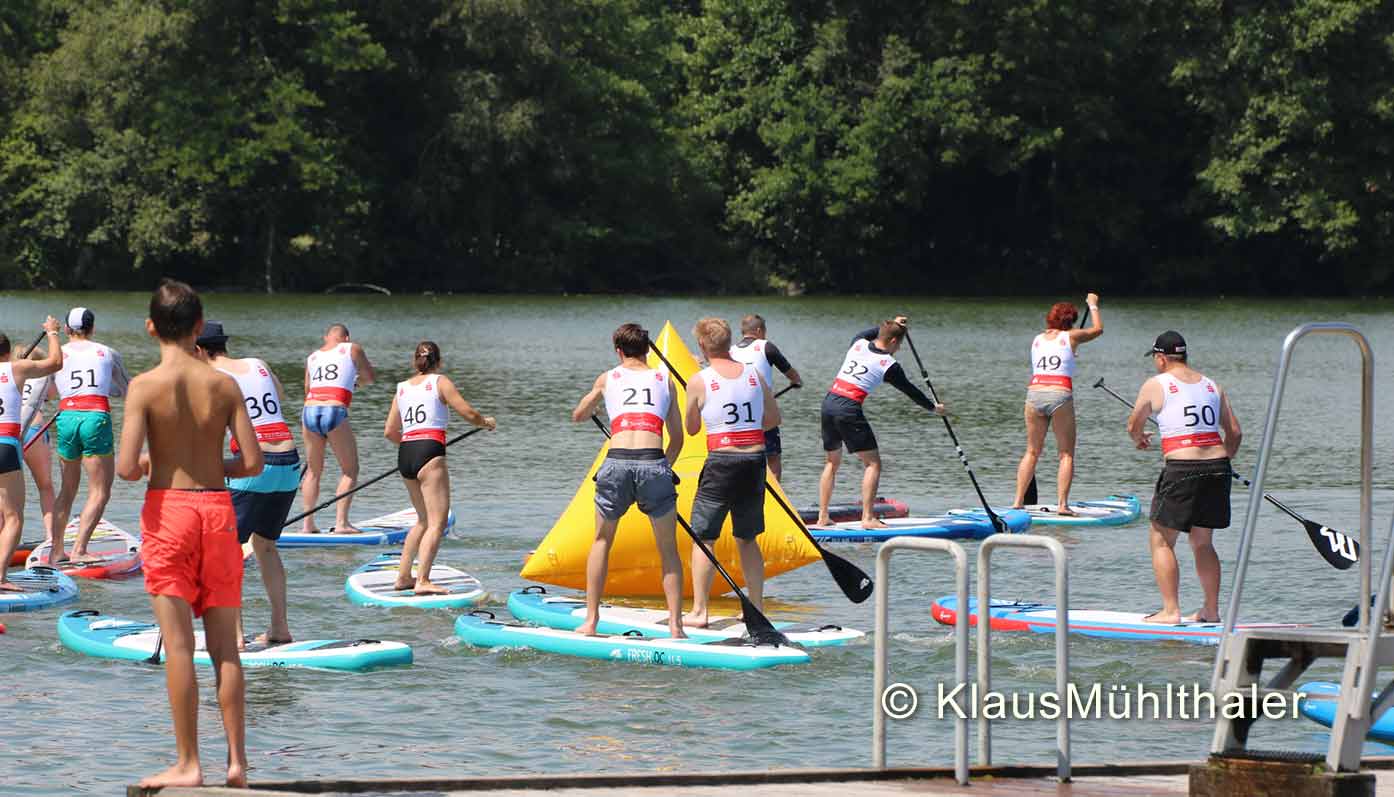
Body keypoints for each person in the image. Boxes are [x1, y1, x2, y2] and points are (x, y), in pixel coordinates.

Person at [115, 279, 262, 788]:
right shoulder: (224, 386)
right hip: (218, 511)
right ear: (199, 327)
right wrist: (208, 465)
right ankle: (237, 763)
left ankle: (188, 763)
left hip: (167, 514)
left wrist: (165, 460)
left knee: (180, 648)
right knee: (227, 649)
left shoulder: (144, 387)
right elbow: (252, 461)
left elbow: (127, 468)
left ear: (151, 326)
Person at [569, 323, 686, 638]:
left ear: (618, 351)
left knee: (601, 541)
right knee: (668, 550)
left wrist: (594, 396)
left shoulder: (608, 377)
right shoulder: (666, 379)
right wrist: (665, 467)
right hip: (653, 463)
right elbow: (678, 438)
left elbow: (578, 415)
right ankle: (676, 628)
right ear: (647, 350)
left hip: (617, 463)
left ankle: (591, 621)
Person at [1127, 331, 1241, 625]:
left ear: (1161, 358)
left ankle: (1170, 611)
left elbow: (1133, 424)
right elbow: (1235, 433)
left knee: (1161, 540)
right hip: (1218, 468)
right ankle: (1211, 610)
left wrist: (1139, 439)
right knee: (1203, 542)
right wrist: (1222, 462)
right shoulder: (1212, 385)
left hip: (1181, 470)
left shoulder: (1156, 384)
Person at [195, 321, 298, 647]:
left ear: (199, 350)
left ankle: (235, 637)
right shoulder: (258, 364)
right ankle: (279, 628)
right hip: (290, 463)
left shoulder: (211, 380)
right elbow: (278, 398)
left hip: (255, 467)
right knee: (265, 546)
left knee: (226, 553)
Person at [685, 317, 780, 625]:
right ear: (729, 343)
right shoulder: (754, 374)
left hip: (721, 463)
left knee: (704, 538)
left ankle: (700, 611)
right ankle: (755, 608)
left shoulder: (700, 380)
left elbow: (691, 427)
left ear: (702, 345)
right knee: (747, 538)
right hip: (754, 460)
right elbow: (773, 418)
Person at [384, 341, 495, 595]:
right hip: (429, 453)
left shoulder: (401, 388)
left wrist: (411, 445)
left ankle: (403, 577)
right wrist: (486, 423)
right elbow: (467, 413)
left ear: (415, 362)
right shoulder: (439, 382)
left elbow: (390, 431)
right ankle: (422, 580)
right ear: (439, 362)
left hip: (406, 453)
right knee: (437, 522)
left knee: (422, 520)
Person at [816, 317, 946, 529]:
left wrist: (892, 324)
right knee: (873, 464)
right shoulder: (889, 365)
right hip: (848, 408)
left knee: (831, 463)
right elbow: (910, 390)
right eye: (899, 344)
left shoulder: (858, 342)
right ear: (894, 342)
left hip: (828, 403)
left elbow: (873, 333)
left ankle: (823, 517)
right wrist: (933, 408)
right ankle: (868, 518)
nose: (899, 348)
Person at [47, 307, 131, 564]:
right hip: (95, 417)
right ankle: (80, 550)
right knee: (100, 491)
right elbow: (126, 390)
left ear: (68, 330)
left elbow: (49, 392)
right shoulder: (108, 352)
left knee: (67, 490)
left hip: (66, 417)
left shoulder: (57, 353)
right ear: (92, 328)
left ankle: (57, 551)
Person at [1012, 293, 1103, 513]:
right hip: (1059, 394)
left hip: (1034, 393)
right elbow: (1098, 329)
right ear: (1070, 321)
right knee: (1066, 454)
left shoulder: (1037, 339)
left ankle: (1017, 502)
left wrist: (1071, 354)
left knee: (1032, 451)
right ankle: (1062, 505)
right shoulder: (1071, 336)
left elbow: (1055, 356)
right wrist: (1093, 306)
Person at [0, 318, 63, 588]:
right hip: (6, 444)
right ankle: (0, 577)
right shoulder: (16, 367)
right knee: (14, 517)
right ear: (7, 351)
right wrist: (52, 333)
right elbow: (56, 363)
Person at [299, 324, 375, 534]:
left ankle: (308, 525)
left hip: (309, 411)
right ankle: (341, 524)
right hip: (334, 409)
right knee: (350, 471)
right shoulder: (352, 348)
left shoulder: (312, 356)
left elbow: (307, 389)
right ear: (346, 337)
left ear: (326, 338)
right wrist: (354, 383)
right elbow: (369, 377)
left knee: (313, 472)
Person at [729, 314, 802, 481]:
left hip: (737, 414)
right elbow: (790, 372)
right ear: (759, 330)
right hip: (762, 412)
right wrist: (797, 381)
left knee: (742, 456)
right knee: (773, 458)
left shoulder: (731, 350)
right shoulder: (766, 346)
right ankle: (773, 502)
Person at [19, 343, 58, 540]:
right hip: (34, 430)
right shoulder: (42, 374)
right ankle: (51, 537)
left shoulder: (9, 373)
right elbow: (53, 394)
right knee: (45, 486)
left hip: (9, 432)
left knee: (5, 491)